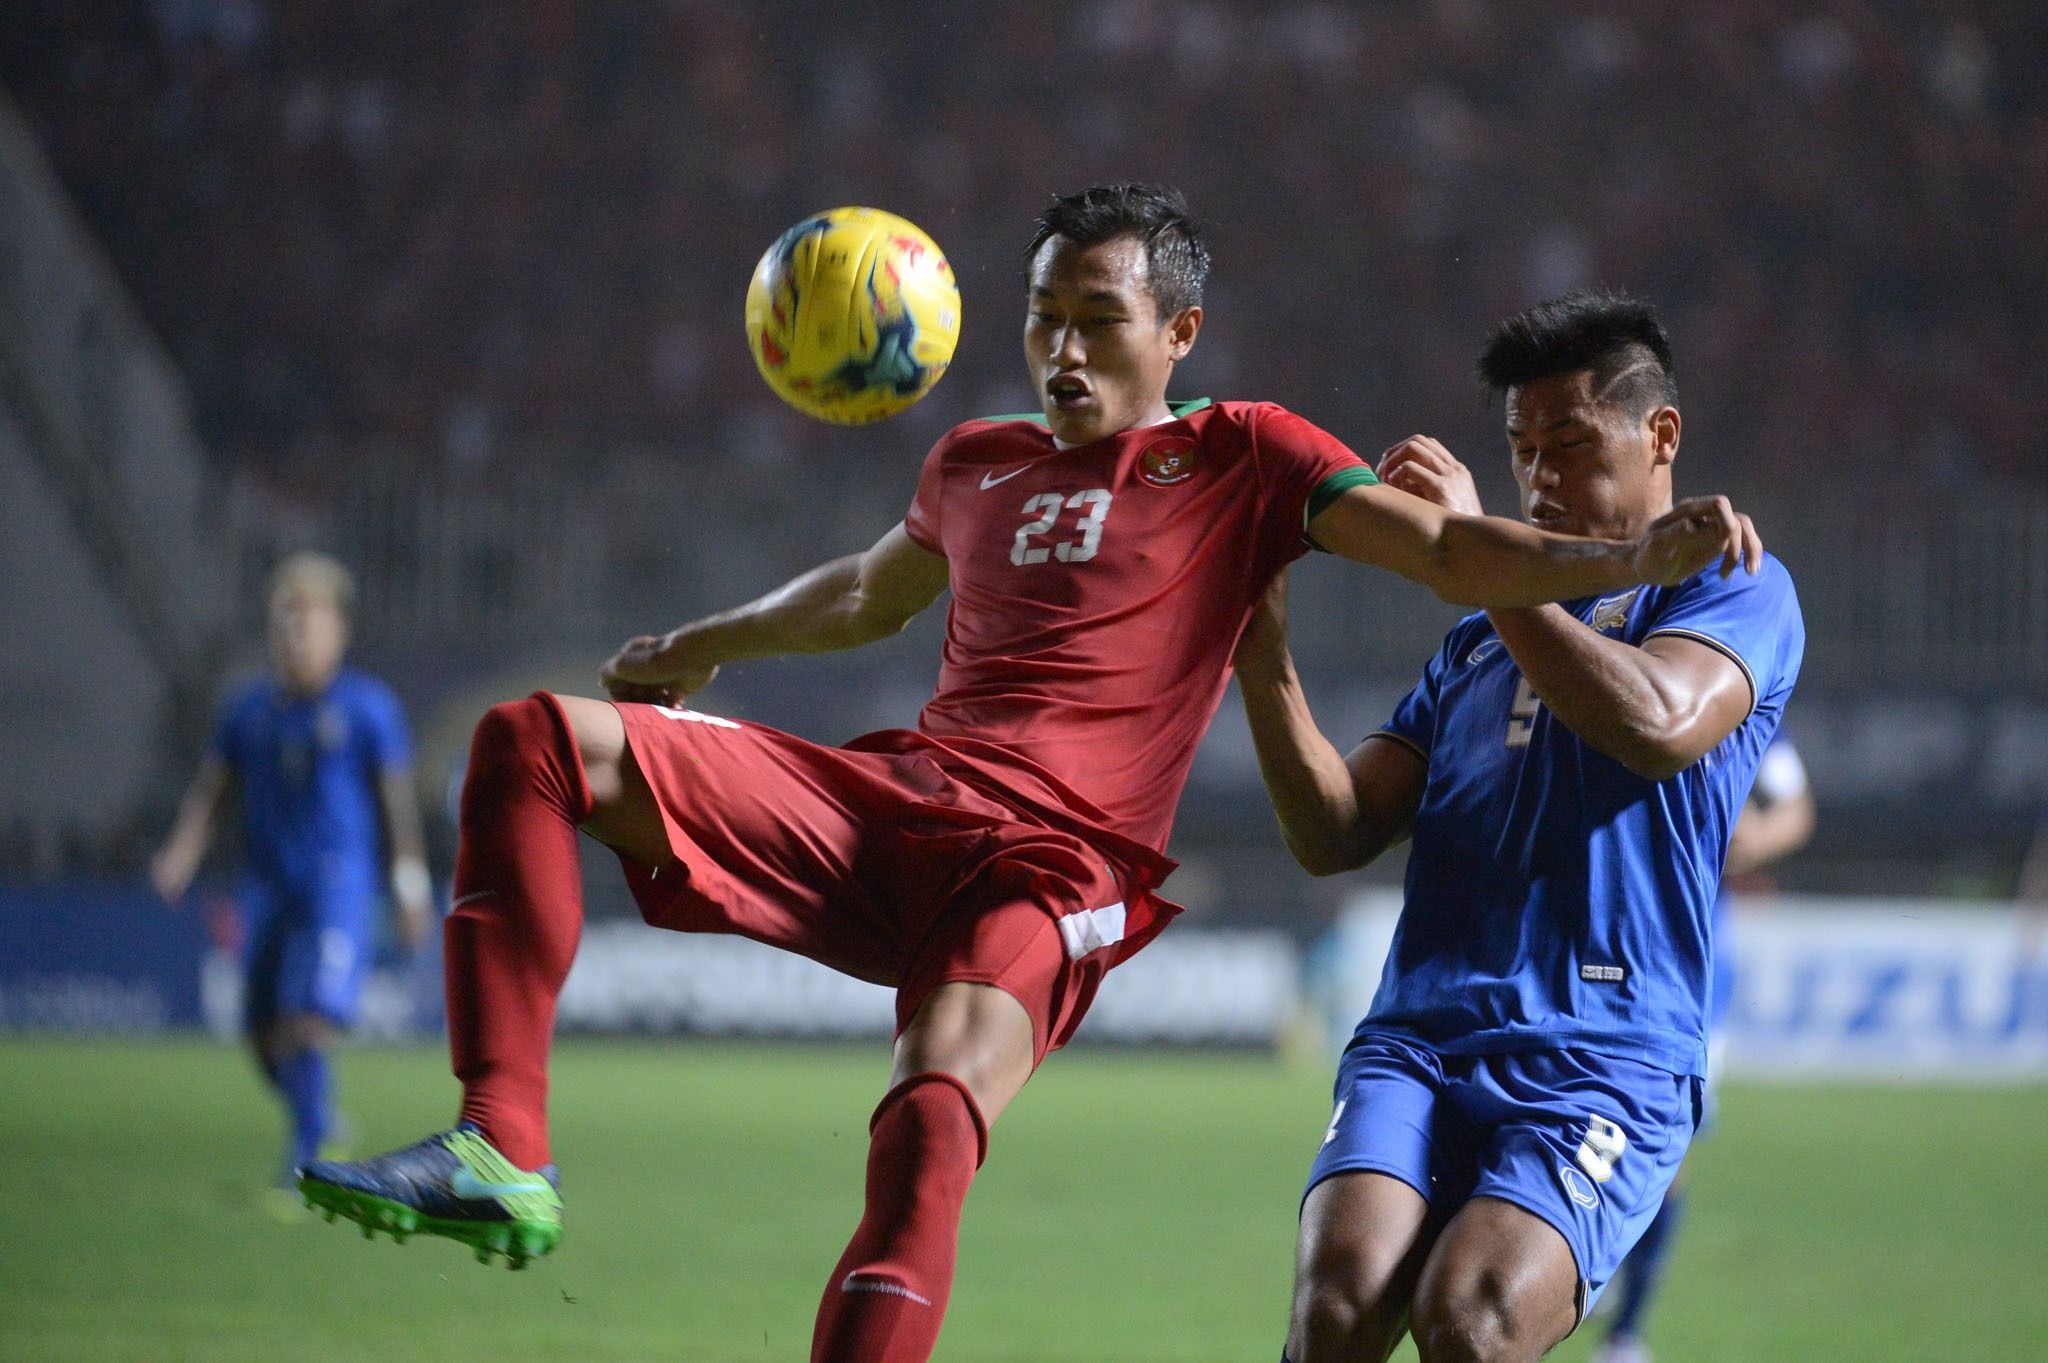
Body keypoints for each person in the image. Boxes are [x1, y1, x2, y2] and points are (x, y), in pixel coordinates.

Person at [299, 188, 1758, 1363]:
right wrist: (700, 641)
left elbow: (1447, 551)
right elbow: (866, 593)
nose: (1060, 350)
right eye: (1041, 318)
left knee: (932, 1111)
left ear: (1179, 330)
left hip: (1054, 866)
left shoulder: (1243, 455)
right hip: (899, 804)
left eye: (1096, 320)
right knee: (533, 738)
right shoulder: (976, 460)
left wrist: (1633, 555)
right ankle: (503, 1139)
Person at [1230, 290, 1803, 1363]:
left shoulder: (1733, 589)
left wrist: (1486, 569)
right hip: (1420, 1039)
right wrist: (1262, 658)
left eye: (1571, 446)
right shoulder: (1469, 652)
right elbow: (1334, 831)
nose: (1537, 479)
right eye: (1519, 450)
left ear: (1659, 437)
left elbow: (1655, 724)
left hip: (1606, 1056)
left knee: (1474, 1317)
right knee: (1336, 1306)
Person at [152, 552, 433, 1197]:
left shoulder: (368, 708)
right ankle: (320, 1117)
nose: (294, 634)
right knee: (258, 1033)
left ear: (339, 630)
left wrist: (410, 887)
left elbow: (396, 806)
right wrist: (181, 854)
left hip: (338, 886)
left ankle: (305, 1162)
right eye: (285, 620)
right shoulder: (247, 710)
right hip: (268, 886)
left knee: (307, 1019)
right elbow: (211, 792)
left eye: (308, 620)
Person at [1592, 730, 1813, 1363]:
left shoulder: (1740, 696)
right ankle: (1589, 1252)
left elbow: (1795, 807)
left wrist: (1752, 838)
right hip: (1591, 942)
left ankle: (1625, 1333)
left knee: (1668, 1149)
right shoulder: (1595, 673)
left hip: (1689, 967)